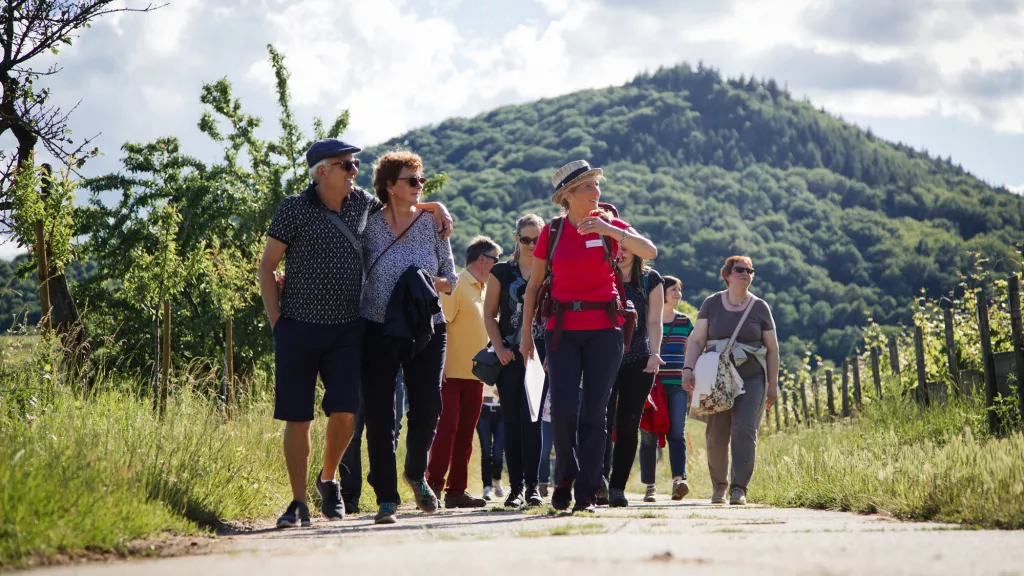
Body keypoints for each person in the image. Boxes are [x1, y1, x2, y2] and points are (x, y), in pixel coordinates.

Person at [259, 139, 451, 528]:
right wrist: (277, 319)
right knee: (332, 417)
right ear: (322, 171)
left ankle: (349, 477)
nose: (353, 171)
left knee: (369, 412)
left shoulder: (381, 209)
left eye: (355, 164)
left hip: (381, 328)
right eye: (346, 165)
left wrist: (437, 208)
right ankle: (328, 502)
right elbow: (269, 265)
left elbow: (421, 225)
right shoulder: (319, 211)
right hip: (331, 326)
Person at [520, 160, 657, 513]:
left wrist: (611, 231)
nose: (597, 193)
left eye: (597, 186)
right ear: (568, 195)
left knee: (596, 413)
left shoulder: (609, 224)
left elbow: (650, 251)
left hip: (605, 332)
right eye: (589, 188)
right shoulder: (551, 232)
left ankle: (586, 492)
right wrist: (525, 337)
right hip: (562, 331)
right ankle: (565, 479)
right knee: (564, 410)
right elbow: (534, 286)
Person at [359, 150, 458, 524]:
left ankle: (415, 474)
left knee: (429, 406)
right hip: (377, 326)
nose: (419, 187)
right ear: (388, 186)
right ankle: (386, 497)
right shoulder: (368, 223)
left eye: (422, 181)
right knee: (381, 416)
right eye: (411, 180)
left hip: (427, 326)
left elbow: (451, 279)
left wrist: (422, 284)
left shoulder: (433, 223)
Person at [682, 256, 780, 506]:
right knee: (716, 433)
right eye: (740, 270)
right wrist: (688, 368)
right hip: (717, 379)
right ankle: (719, 488)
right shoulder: (712, 303)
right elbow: (696, 340)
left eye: (750, 270)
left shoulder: (760, 307)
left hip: (752, 377)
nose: (746, 273)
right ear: (727, 274)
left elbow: (772, 348)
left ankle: (739, 489)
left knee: (745, 432)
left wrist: (772, 384)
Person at [426, 236, 501, 508]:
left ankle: (456, 491)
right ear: (482, 259)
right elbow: (438, 325)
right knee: (447, 430)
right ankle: (432, 487)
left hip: (475, 377)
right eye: (495, 259)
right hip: (451, 374)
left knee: (466, 435)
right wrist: (439, 365)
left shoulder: (483, 290)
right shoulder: (457, 285)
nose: (497, 264)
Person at [483, 214, 549, 508]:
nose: (532, 244)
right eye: (526, 239)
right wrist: (499, 349)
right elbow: (489, 314)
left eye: (537, 239)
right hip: (509, 354)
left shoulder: (551, 269)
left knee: (533, 421)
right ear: (516, 239)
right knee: (511, 422)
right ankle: (515, 488)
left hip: (541, 355)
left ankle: (534, 487)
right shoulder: (502, 271)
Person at [599, 247, 665, 507]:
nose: (622, 253)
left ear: (638, 252)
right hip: (603, 359)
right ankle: (598, 482)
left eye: (627, 248)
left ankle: (617, 487)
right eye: (617, 247)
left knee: (628, 424)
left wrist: (655, 354)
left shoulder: (651, 279)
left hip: (638, 359)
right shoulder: (602, 276)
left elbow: (654, 322)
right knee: (601, 422)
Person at [638, 275, 694, 502]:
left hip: (678, 385)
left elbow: (690, 355)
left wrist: (691, 386)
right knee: (649, 435)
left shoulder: (685, 322)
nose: (678, 294)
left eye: (679, 290)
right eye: (673, 290)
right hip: (650, 387)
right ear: (661, 293)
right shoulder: (647, 319)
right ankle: (650, 487)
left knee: (676, 434)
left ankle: (678, 482)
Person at [477, 383, 505, 501]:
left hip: (502, 410)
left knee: (499, 450)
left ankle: (497, 479)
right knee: (486, 450)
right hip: (484, 410)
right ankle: (487, 486)